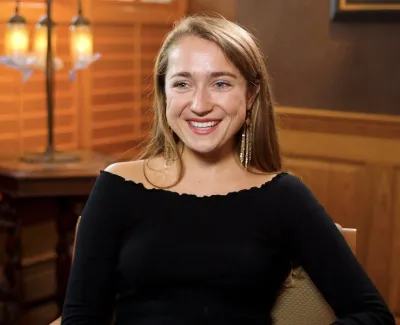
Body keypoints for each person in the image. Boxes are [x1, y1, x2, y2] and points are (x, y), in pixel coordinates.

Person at [60, 14, 395, 325]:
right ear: (164, 94)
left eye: (220, 83)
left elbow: (373, 314)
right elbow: (80, 319)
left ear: (250, 96)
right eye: (182, 83)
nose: (200, 104)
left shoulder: (284, 197)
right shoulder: (117, 186)